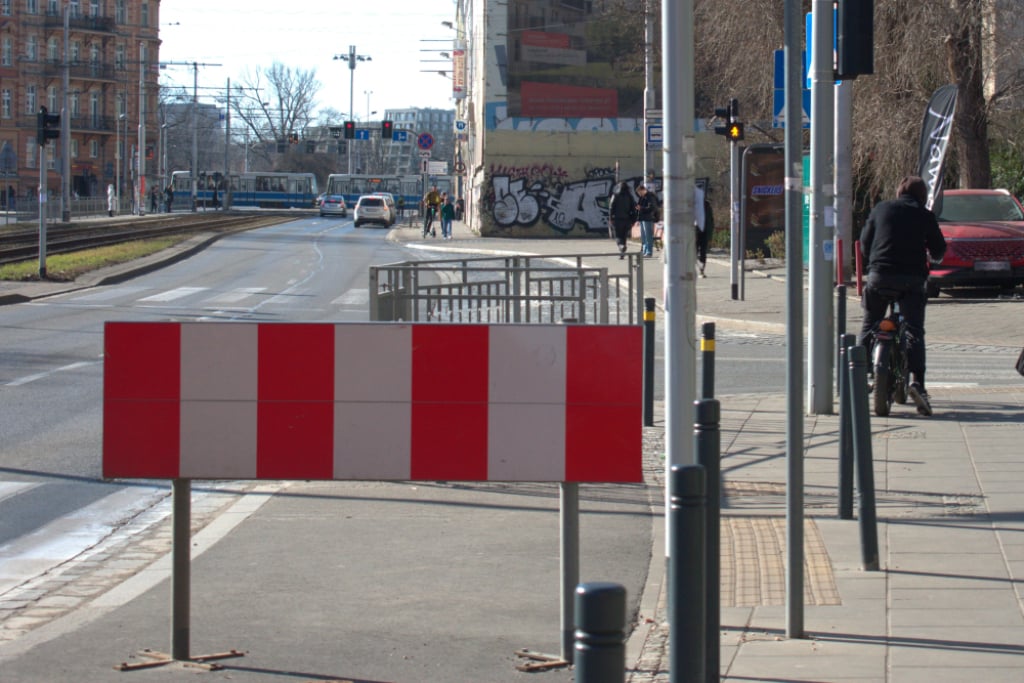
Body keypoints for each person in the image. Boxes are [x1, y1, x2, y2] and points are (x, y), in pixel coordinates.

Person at [858, 175, 947, 416]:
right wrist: (933, 255)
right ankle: (917, 383)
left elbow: (865, 244)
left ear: (898, 192)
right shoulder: (925, 215)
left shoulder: (880, 209)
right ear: (922, 196)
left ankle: (859, 374)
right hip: (912, 281)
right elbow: (939, 248)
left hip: (880, 277)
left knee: (869, 324)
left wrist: (874, 261)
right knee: (914, 331)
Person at [608, 183, 636, 259]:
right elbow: (633, 209)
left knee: (618, 236)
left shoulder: (615, 195)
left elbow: (611, 207)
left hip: (617, 219)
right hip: (627, 219)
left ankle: (621, 246)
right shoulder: (630, 196)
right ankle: (622, 253)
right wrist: (633, 220)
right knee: (624, 236)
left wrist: (610, 217)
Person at [635, 185, 658, 257]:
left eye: (639, 192)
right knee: (644, 237)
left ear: (643, 190)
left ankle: (649, 252)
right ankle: (645, 251)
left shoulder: (649, 197)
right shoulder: (642, 197)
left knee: (648, 236)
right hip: (642, 218)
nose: (639, 194)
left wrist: (641, 208)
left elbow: (651, 207)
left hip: (648, 218)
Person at [695, 185, 712, 277]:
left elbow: (710, 220)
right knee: (693, 252)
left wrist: (710, 234)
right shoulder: (693, 204)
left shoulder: (707, 205)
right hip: (695, 232)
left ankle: (702, 269)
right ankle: (694, 269)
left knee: (703, 252)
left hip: (704, 231)